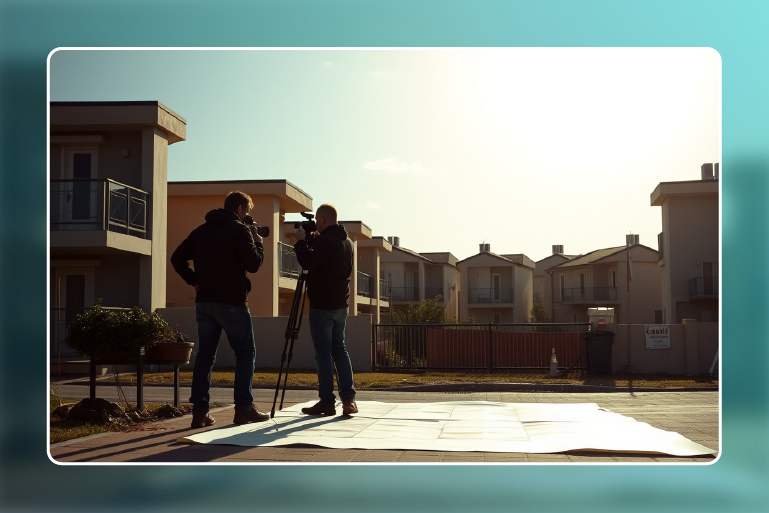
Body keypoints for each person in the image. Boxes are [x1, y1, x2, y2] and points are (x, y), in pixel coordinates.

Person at [171, 190, 271, 428]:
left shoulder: (200, 231)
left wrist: (193, 280)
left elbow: (177, 258)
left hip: (205, 303)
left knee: (205, 356)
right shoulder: (239, 230)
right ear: (239, 209)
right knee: (245, 353)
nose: (247, 216)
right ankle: (244, 408)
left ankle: (200, 413)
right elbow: (254, 264)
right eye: (246, 211)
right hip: (232, 303)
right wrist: (258, 242)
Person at [294, 203, 358, 416]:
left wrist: (301, 242)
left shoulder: (325, 241)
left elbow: (306, 261)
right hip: (341, 305)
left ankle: (327, 402)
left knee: (323, 355)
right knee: (340, 350)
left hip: (322, 306)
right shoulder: (347, 242)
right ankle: (349, 399)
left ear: (322, 220)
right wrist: (312, 240)